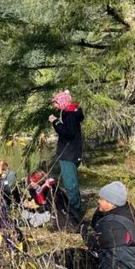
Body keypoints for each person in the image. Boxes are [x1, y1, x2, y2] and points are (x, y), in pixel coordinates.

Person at [58, 181, 135, 269]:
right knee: (71, 255)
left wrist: (83, 231)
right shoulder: (121, 215)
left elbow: (94, 242)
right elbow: (96, 230)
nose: (98, 201)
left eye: (102, 199)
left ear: (112, 203)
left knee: (70, 256)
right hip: (115, 266)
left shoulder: (115, 225)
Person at [49, 89, 85, 220]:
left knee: (70, 185)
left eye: (56, 103)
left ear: (62, 102)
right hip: (69, 154)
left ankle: (75, 214)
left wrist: (55, 122)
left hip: (69, 155)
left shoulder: (70, 115)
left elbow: (68, 133)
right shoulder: (69, 113)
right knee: (70, 183)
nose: (55, 106)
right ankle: (74, 211)